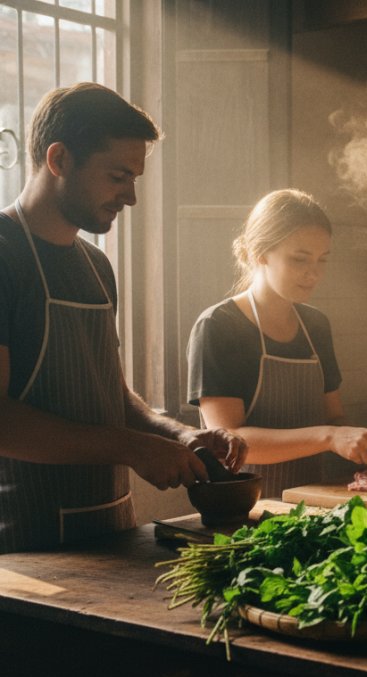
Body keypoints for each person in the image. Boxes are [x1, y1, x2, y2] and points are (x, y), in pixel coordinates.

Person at [0, 83, 246, 554]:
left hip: (110, 534)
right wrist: (131, 448)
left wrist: (180, 434)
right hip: (20, 554)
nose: (130, 198)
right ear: (59, 160)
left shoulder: (96, 266)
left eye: (134, 178)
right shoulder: (4, 255)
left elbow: (108, 393)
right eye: (118, 176)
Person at [187, 189, 367, 498]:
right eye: (300, 259)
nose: (314, 273)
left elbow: (334, 419)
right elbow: (228, 440)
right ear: (259, 252)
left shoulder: (315, 326)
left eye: (322, 260)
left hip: (312, 505)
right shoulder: (219, 327)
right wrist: (330, 436)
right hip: (245, 509)